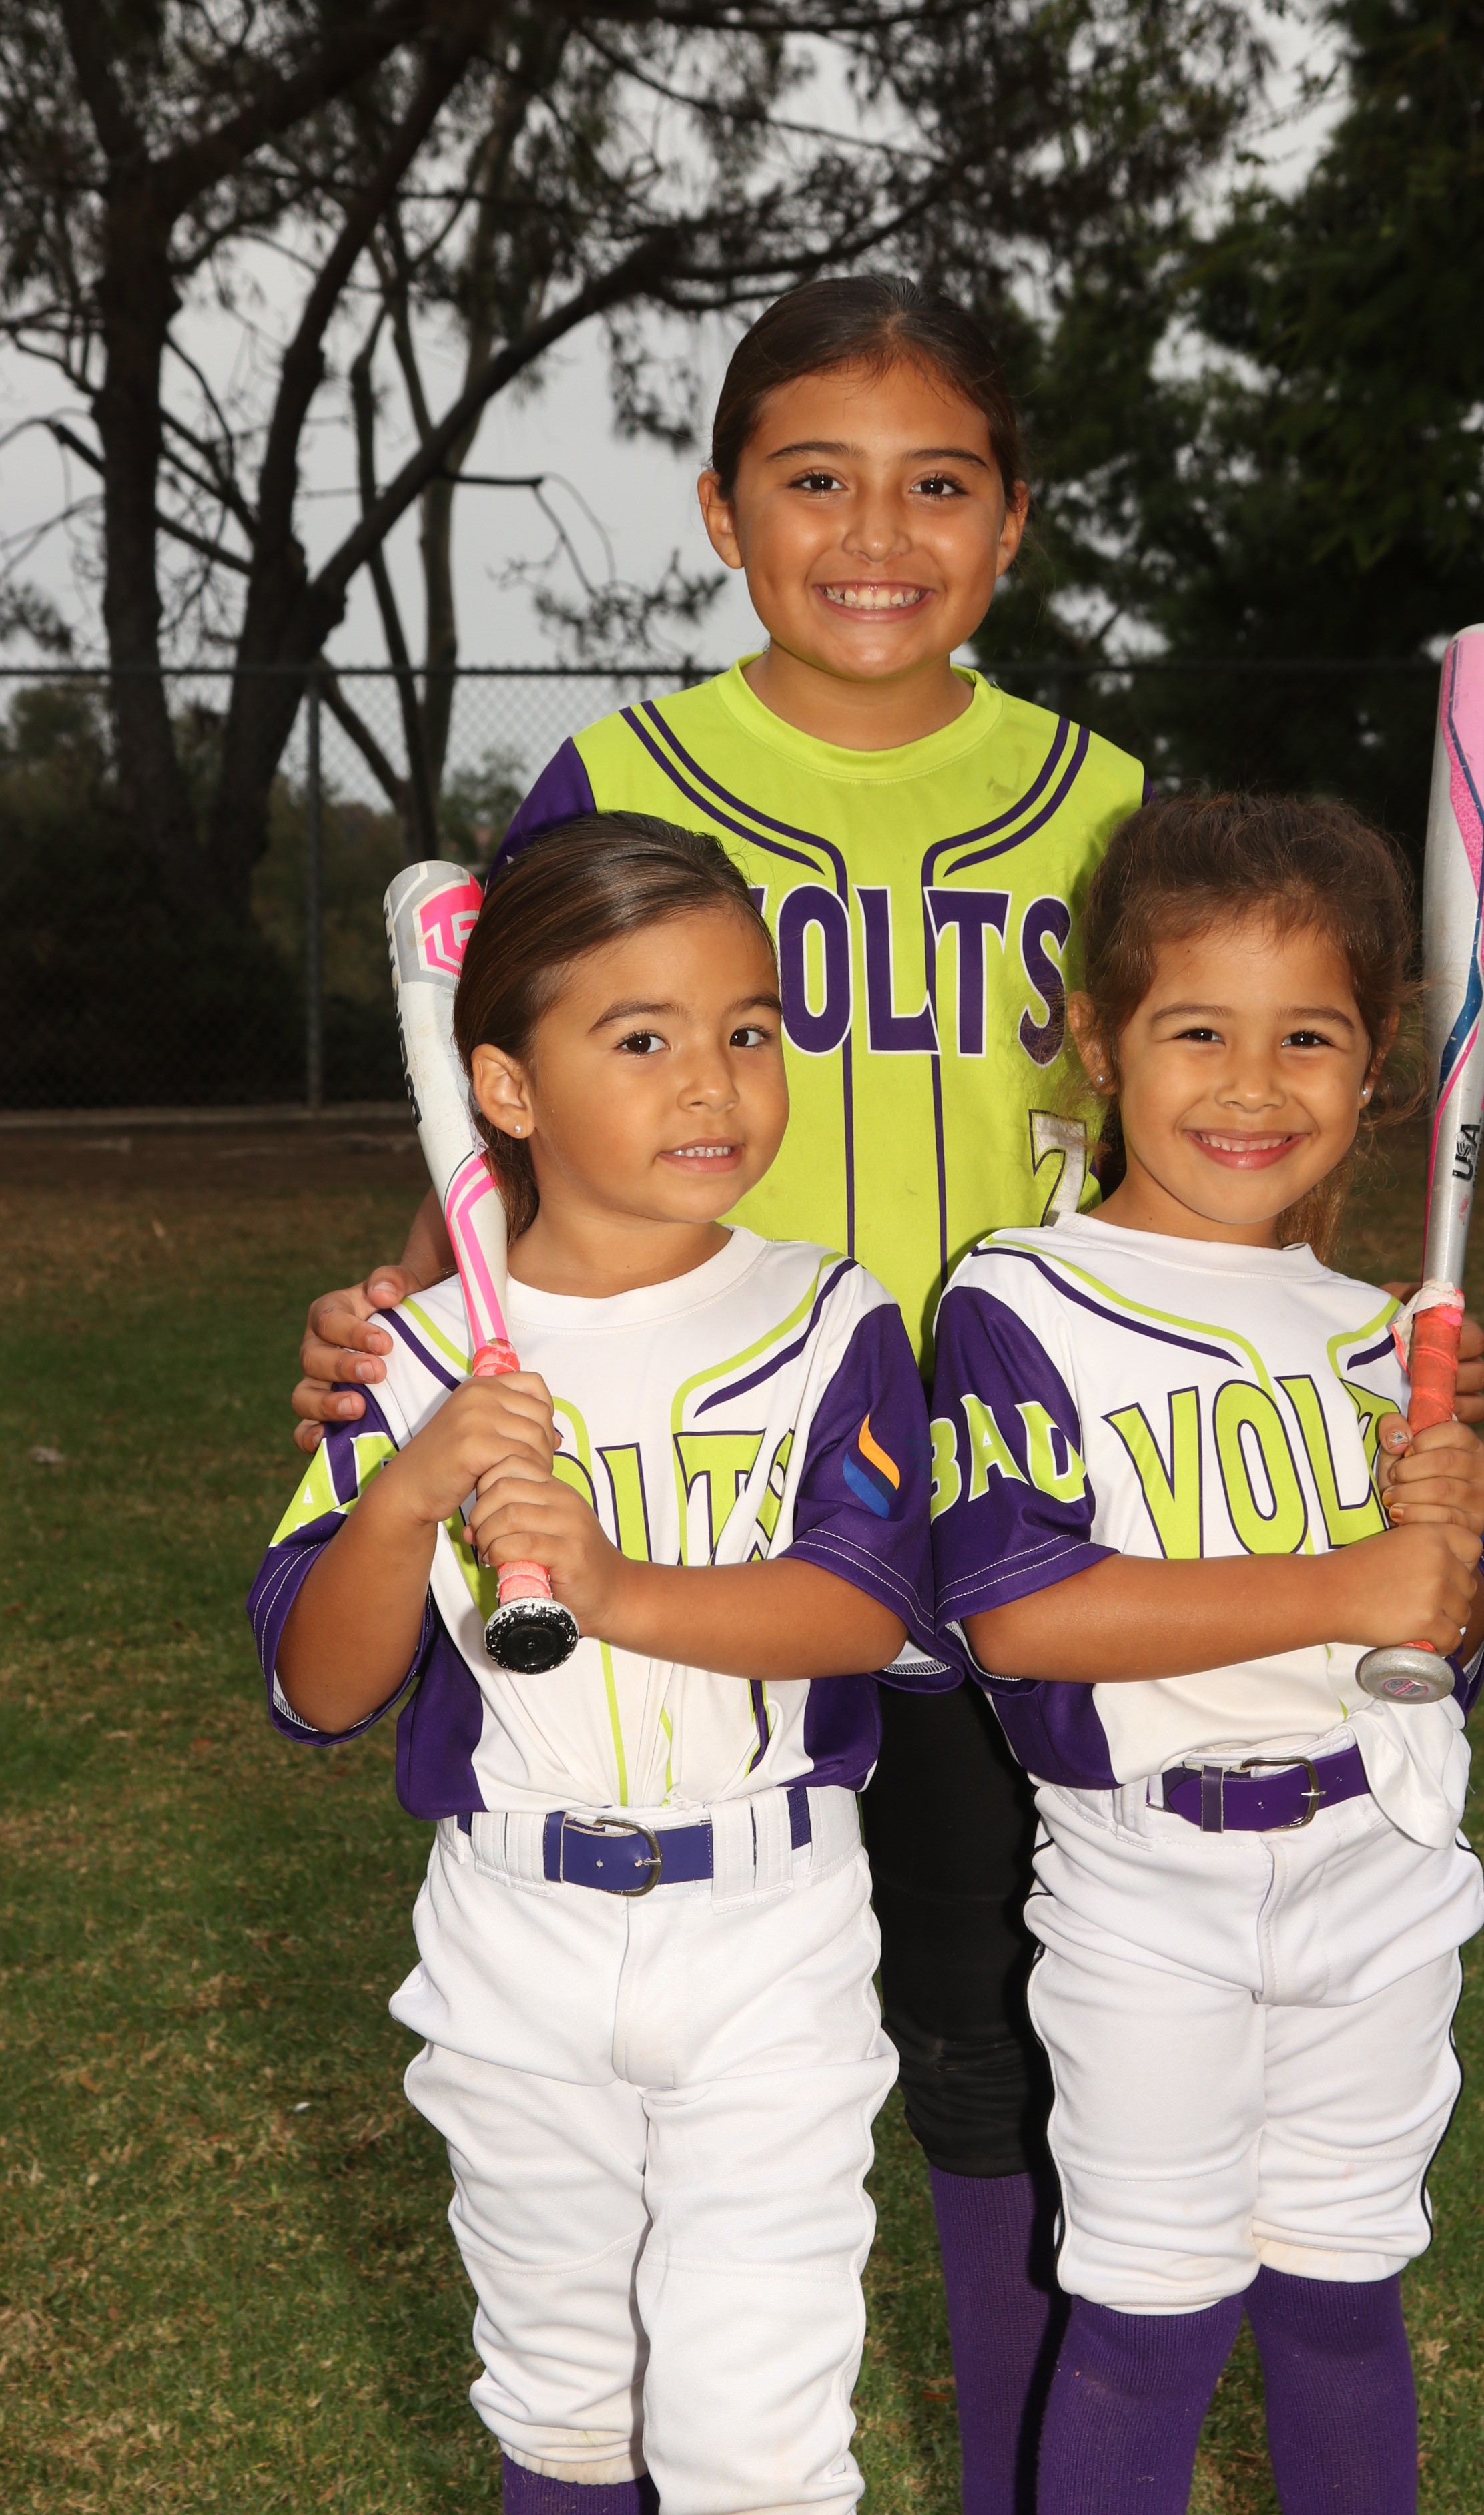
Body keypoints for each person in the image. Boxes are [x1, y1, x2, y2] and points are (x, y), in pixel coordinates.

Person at [287, 277, 1484, 2514]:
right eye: (813, 480)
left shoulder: (1102, 795)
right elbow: (518, 1070)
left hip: (1055, 1498)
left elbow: (1219, 1123)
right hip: (739, 1488)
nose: (873, 532)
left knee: (1009, 2064)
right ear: (723, 511)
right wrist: (415, 1312)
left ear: (1013, 520)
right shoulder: (617, 779)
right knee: (839, 2038)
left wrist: (1345, 1347)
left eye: (936, 483)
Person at [251, 814, 938, 2514]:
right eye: (641, 1040)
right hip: (515, 1937)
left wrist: (616, 1584)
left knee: (756, 2437)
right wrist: (410, 1490)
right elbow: (320, 1691)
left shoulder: (829, 1315)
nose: (713, 1082)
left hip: (769, 1923)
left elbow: (860, 1610)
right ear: (501, 1088)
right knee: (563, 2404)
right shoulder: (408, 1354)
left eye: (749, 1031)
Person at [927, 792, 1484, 2515]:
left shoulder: (1379, 1334)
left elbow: (1436, 1635)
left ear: (1378, 1063)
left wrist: (1451, 1554)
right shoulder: (1019, 1297)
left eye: (1306, 1038)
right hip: (1148, 1890)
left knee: (1340, 2297)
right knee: (1147, 2319)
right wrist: (1353, 1579)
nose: (1252, 1087)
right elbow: (1022, 1613)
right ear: (1098, 1039)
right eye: (1198, 1031)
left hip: (1378, 1861)